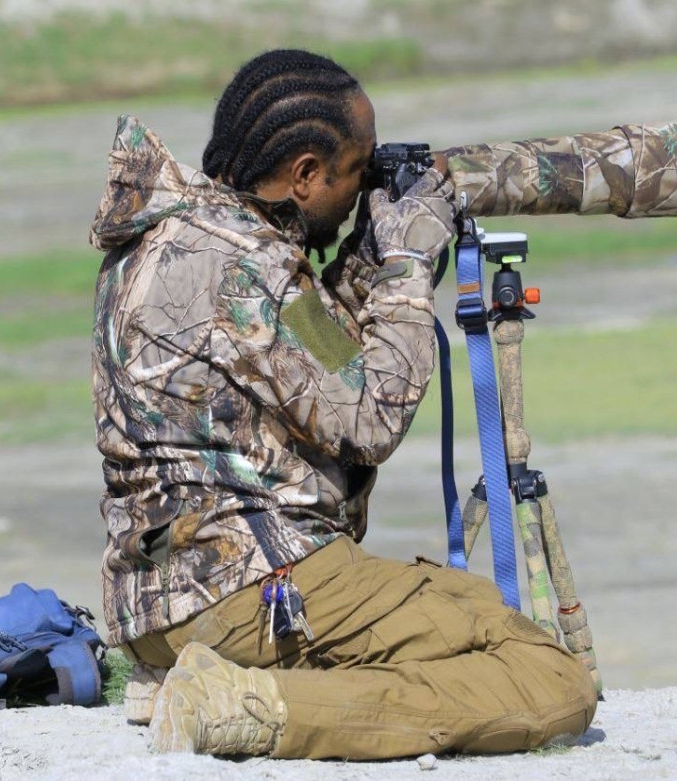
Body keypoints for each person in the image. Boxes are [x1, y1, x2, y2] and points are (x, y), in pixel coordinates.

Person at [89, 48, 597, 761]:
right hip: (251, 589)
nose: (362, 191)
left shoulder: (184, 235)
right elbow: (369, 418)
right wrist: (409, 266)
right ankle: (245, 705)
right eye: (355, 174)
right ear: (304, 174)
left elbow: (313, 364)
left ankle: (206, 675)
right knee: (548, 675)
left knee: (469, 617)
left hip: (163, 600)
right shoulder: (248, 269)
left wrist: (363, 259)